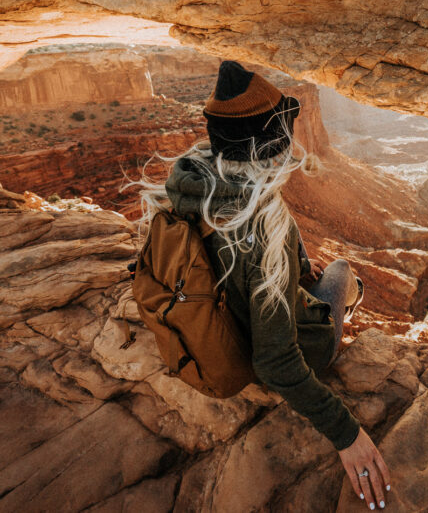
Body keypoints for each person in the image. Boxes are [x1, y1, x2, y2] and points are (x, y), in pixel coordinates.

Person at [127, 60, 391, 509]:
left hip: (216, 325)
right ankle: (345, 307)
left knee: (297, 257)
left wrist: (291, 267)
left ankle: (304, 277)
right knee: (342, 272)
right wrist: (348, 435)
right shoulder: (265, 229)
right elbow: (275, 363)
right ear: (272, 142)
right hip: (281, 349)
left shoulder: (186, 185)